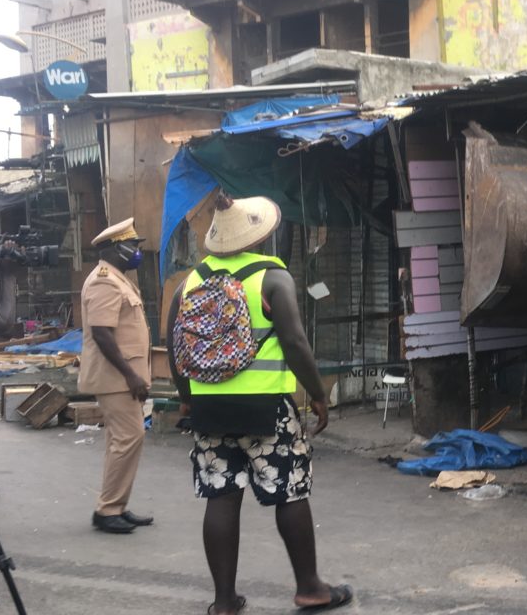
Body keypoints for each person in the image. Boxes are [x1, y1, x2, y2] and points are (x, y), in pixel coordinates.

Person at [168, 194, 351, 615]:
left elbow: (175, 347)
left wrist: (186, 400)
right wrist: (318, 394)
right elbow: (295, 341)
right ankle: (310, 588)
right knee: (288, 492)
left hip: (209, 411)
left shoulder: (189, 283)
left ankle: (225, 601)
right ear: (262, 235)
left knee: (221, 496)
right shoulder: (272, 278)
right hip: (267, 408)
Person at [79, 218, 154, 535]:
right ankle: (107, 509)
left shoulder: (118, 279)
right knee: (128, 438)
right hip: (116, 378)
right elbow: (102, 335)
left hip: (123, 376)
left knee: (121, 441)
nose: (137, 251)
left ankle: (115, 505)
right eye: (132, 246)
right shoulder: (104, 281)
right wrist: (131, 376)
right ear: (114, 248)